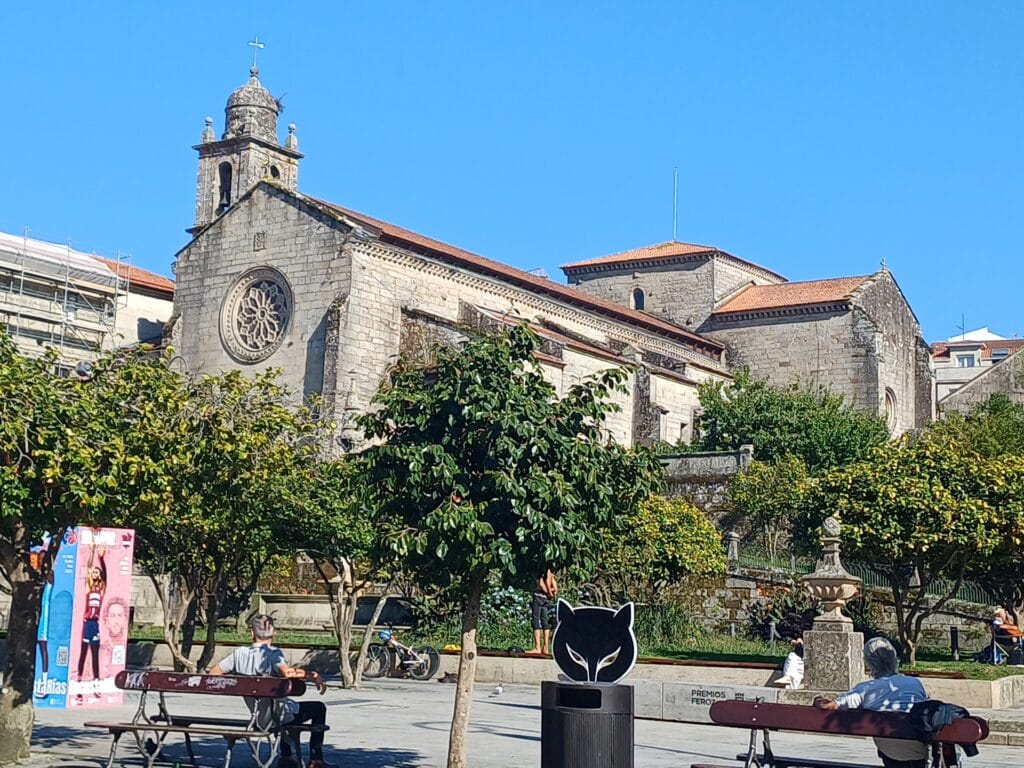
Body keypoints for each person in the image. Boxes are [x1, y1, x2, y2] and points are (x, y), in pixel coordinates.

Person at [209, 614, 334, 768]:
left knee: (281, 706)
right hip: (278, 717)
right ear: (274, 633)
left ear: (252, 633)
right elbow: (287, 673)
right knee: (318, 708)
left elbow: (213, 672)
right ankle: (316, 759)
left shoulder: (239, 653)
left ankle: (286, 756)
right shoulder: (273, 653)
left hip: (258, 717)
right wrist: (312, 675)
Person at [814, 637, 929, 768]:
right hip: (920, 750)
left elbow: (828, 707)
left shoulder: (865, 689)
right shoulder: (914, 683)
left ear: (868, 663)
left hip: (891, 753)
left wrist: (818, 699)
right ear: (893, 659)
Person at [75, 546, 107, 700]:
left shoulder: (101, 588)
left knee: (95, 656)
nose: (95, 573)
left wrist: (101, 558)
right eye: (93, 572)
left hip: (95, 624)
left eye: (97, 572)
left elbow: (105, 575)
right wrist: (93, 550)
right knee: (83, 655)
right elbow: (88, 568)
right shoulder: (89, 588)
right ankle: (79, 687)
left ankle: (96, 686)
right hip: (87, 623)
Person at [527, 569, 558, 655]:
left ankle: (537, 647)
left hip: (538, 597)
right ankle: (546, 648)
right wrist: (550, 593)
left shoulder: (541, 573)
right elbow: (555, 588)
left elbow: (540, 584)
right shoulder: (551, 575)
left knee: (535, 620)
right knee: (545, 621)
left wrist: (547, 591)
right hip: (546, 599)